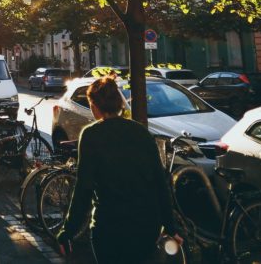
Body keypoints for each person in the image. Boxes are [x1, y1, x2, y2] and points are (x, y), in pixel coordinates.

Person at [56, 76, 181, 263]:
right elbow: (159, 183)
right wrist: (170, 227)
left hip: (109, 226)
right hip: (145, 225)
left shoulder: (91, 136)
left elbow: (84, 189)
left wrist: (67, 232)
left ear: (95, 105)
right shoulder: (141, 132)